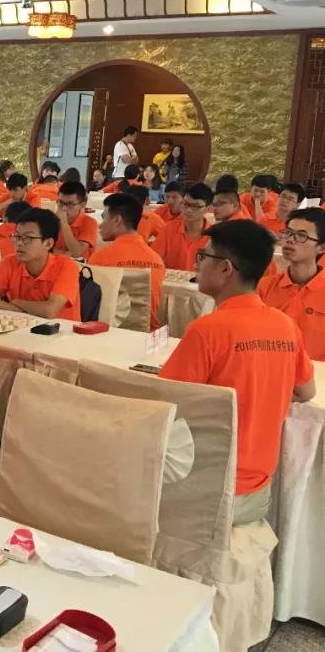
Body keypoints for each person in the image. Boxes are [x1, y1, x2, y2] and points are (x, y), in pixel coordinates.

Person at [160, 221, 316, 523]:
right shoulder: (284, 325)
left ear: (225, 268)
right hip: (258, 490)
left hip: (208, 488)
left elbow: (166, 404)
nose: (197, 265)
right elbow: (305, 390)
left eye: (203, 257)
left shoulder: (207, 330)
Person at [0, 207, 82, 320]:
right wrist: (15, 309)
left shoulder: (67, 266)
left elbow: (50, 311)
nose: (19, 243)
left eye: (28, 238)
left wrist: (17, 302)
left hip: (61, 329)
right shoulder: (10, 262)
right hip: (22, 325)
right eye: (17, 236)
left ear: (48, 244)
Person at [258, 207, 325, 359]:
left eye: (301, 235)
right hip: (271, 367)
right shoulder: (264, 287)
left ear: (322, 247)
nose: (290, 240)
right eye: (288, 233)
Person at [90, 193, 165, 331]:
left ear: (117, 220)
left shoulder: (100, 258)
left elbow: (91, 306)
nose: (100, 225)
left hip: (108, 333)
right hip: (147, 335)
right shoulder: (157, 259)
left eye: (104, 217)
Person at [152, 182, 213, 270]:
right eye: (185, 204)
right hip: (172, 279)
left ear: (209, 208)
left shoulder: (214, 237)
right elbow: (153, 261)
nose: (188, 210)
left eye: (196, 206)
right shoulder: (168, 229)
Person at [54, 180, 98, 259]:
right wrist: (66, 254)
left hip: (80, 265)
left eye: (70, 204)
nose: (64, 208)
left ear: (82, 205)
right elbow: (43, 249)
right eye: (61, 202)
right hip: (56, 262)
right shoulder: (51, 220)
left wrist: (64, 223)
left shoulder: (89, 222)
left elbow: (76, 252)